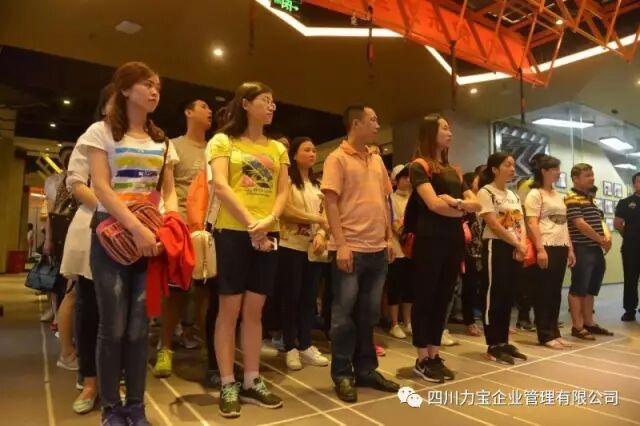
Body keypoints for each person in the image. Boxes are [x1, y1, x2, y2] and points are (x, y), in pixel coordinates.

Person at [82, 61, 180, 426]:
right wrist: (136, 227)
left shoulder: (162, 141)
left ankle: (136, 407)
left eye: (157, 87)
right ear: (124, 89)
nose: (154, 91)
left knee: (140, 330)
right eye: (146, 84)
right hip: (111, 236)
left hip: (149, 240)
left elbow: (168, 191)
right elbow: (101, 187)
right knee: (113, 328)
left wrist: (170, 225)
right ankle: (111, 408)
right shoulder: (101, 132)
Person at [208, 82, 288, 418]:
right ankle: (228, 382)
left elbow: (283, 191)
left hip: (268, 232)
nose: (272, 107)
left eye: (273, 102)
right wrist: (251, 223)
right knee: (229, 310)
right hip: (232, 232)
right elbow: (220, 185)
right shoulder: (223, 141)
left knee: (255, 312)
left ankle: (252, 379)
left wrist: (268, 221)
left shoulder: (277, 148)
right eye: (265, 101)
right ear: (245, 104)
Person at [321, 105, 399, 403]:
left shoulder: (376, 159)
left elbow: (385, 201)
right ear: (356, 124)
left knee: (369, 315)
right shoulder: (336, 158)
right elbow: (330, 203)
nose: (378, 125)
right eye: (373, 120)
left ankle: (366, 370)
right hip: (350, 248)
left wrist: (389, 238)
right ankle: (342, 373)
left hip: (377, 248)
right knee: (343, 316)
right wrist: (341, 244)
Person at [408, 114, 481, 382]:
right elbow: (433, 204)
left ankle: (434, 354)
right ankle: (422, 358)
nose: (450, 133)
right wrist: (462, 208)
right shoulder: (419, 166)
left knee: (443, 298)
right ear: (431, 132)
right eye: (444, 128)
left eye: (450, 128)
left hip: (453, 240)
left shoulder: (454, 170)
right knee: (425, 297)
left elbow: (476, 204)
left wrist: (456, 203)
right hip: (429, 240)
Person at [60, 82, 114, 415]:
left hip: (130, 232)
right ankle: (89, 380)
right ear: (105, 105)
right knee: (90, 307)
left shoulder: (142, 138)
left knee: (122, 315)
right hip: (95, 224)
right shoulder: (94, 134)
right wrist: (111, 211)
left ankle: (114, 378)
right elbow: (76, 183)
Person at [153, 99, 213, 379]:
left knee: (206, 292)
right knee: (175, 292)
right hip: (181, 229)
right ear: (188, 112)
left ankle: (211, 350)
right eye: (203, 106)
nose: (209, 111)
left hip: (209, 229)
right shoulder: (174, 145)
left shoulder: (216, 148)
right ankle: (165, 348)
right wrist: (172, 223)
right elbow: (165, 189)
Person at [278, 136, 330, 370]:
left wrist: (322, 234)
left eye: (314, 150)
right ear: (295, 155)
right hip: (291, 245)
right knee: (291, 297)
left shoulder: (319, 185)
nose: (312, 154)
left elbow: (327, 214)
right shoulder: (288, 181)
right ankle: (290, 346)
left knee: (309, 298)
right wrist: (316, 219)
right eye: (307, 150)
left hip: (314, 248)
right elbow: (285, 210)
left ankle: (306, 344)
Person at [477, 152, 529, 365]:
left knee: (508, 295)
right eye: (508, 165)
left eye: (514, 165)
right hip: (495, 246)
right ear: (494, 169)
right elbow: (493, 224)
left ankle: (503, 341)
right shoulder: (486, 192)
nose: (512, 169)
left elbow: (520, 222)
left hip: (514, 247)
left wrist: (522, 244)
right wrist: (516, 243)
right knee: (494, 295)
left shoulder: (513, 194)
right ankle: (493, 344)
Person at [524, 155, 576, 349]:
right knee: (544, 291)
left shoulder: (557, 194)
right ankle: (545, 334)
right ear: (544, 171)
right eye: (554, 169)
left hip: (560, 245)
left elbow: (565, 224)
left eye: (558, 168)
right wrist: (540, 249)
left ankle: (555, 332)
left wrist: (570, 248)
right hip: (545, 245)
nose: (558, 172)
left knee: (555, 291)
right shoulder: (535, 194)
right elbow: (531, 222)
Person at [565, 163, 614, 339]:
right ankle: (577, 327)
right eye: (587, 175)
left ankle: (589, 323)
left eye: (592, 174)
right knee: (579, 287)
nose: (592, 178)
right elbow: (579, 224)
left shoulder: (590, 199)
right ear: (575, 179)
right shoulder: (571, 198)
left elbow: (600, 221)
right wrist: (600, 239)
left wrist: (606, 238)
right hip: (581, 247)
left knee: (590, 288)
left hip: (594, 248)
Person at [387, 163, 412, 339]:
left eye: (410, 178)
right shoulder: (390, 199)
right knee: (395, 286)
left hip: (412, 249)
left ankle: (408, 321)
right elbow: (393, 222)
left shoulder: (414, 198)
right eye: (404, 178)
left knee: (410, 287)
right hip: (397, 247)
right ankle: (394, 323)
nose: (408, 181)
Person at [615, 172, 640, 322]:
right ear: (634, 184)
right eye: (639, 181)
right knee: (630, 278)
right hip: (631, 247)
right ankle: (629, 310)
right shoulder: (625, 202)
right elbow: (618, 224)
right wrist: (630, 237)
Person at [461, 171, 483, 336]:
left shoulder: (484, 199)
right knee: (469, 286)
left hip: (483, 249)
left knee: (482, 286)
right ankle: (469, 321)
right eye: (477, 180)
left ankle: (484, 320)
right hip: (468, 250)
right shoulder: (467, 203)